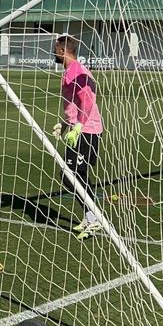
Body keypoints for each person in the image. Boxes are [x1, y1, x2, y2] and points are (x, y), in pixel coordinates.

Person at [52, 36, 105, 239]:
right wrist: (65, 124)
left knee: (72, 175)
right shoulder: (70, 71)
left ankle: (94, 217)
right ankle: (91, 216)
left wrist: (79, 126)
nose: (54, 53)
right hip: (79, 130)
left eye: (56, 49)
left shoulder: (76, 71)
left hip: (87, 131)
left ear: (63, 50)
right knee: (73, 175)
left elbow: (87, 100)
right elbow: (75, 103)